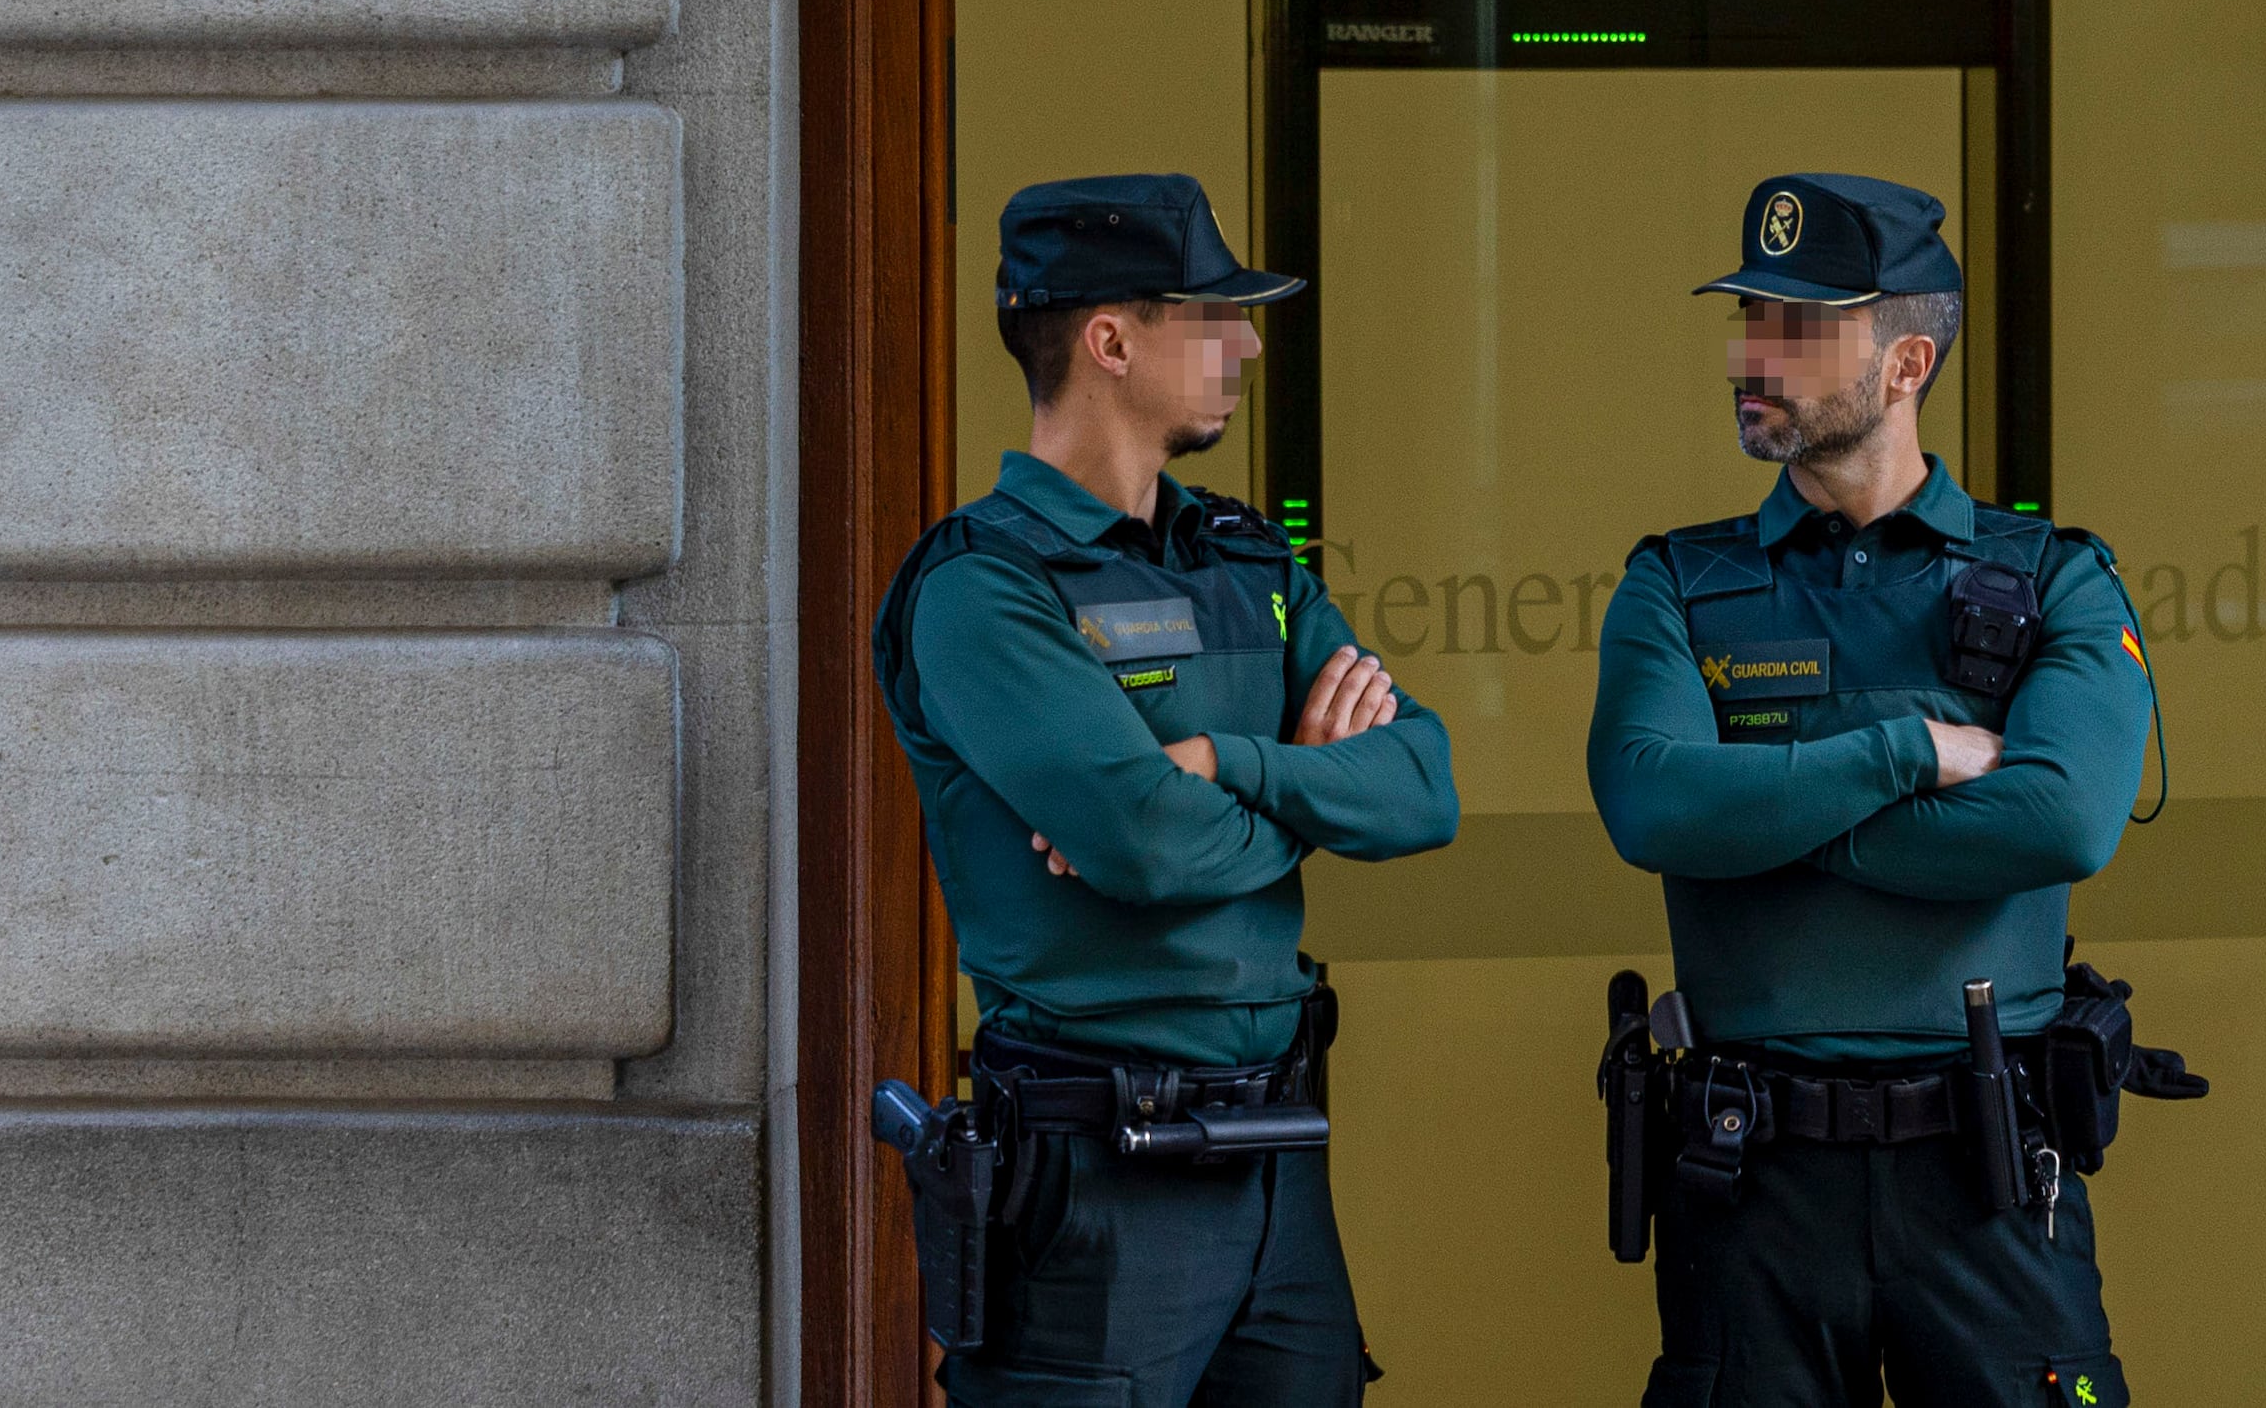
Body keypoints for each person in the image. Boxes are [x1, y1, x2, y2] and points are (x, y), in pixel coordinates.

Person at [874, 169, 1461, 1404]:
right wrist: (1303, 787)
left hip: (1279, 1169)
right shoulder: (983, 590)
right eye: (1212, 313)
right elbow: (1141, 844)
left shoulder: (1249, 559)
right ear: (1109, 341)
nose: (1245, 338)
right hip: (1097, 1190)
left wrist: (1233, 770)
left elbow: (1423, 787)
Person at [1588, 170, 2163, 1408]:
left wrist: (1772, 815)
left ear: (1905, 363)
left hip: (1987, 1176)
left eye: (1797, 326)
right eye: (1747, 316)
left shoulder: (2053, 579)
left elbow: (2059, 820)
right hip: (1750, 1179)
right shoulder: (1677, 586)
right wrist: (1901, 753)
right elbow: (1650, 808)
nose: (1753, 351)